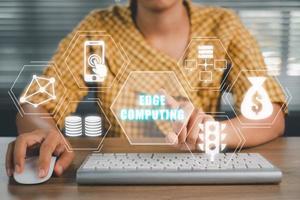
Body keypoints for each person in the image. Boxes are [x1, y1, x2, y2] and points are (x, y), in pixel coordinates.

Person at [6, 0, 286, 178]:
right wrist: (42, 130)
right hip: (116, 178)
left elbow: (270, 114)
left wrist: (215, 132)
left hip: (199, 174)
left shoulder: (224, 25)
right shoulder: (97, 28)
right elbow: (36, 101)